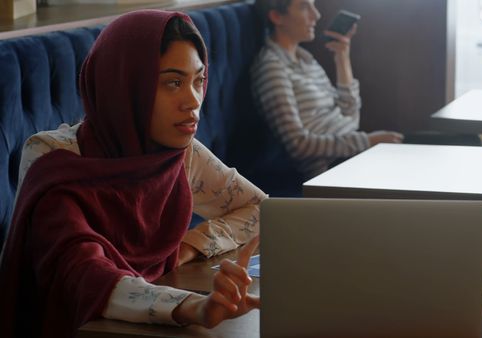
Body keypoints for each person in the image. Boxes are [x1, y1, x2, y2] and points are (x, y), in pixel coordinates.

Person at [0, 10, 266, 337]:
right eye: (173, 83)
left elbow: (261, 209)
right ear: (125, 85)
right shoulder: (53, 158)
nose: (193, 100)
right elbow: (84, 273)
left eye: (198, 80)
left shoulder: (178, 153)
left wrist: (192, 245)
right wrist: (195, 307)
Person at [251, 0, 404, 179]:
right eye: (304, 7)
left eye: (314, 5)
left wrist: (342, 56)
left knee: (423, 146)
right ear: (277, 17)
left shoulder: (306, 60)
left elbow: (350, 116)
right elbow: (298, 145)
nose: (316, 15)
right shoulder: (272, 68)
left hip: (351, 155)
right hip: (330, 170)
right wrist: (368, 141)